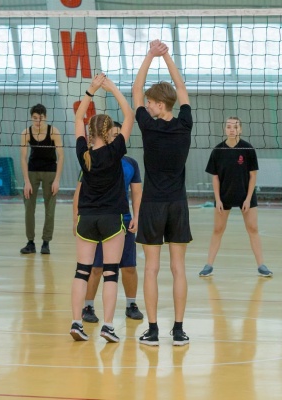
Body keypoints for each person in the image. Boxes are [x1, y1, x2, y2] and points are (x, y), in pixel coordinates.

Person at [132, 40, 193, 347]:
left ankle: (153, 330)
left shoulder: (149, 127)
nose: (146, 105)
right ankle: (178, 330)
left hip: (153, 205)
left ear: (158, 105)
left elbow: (135, 89)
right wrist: (167, 56)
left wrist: (150, 55)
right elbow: (181, 89)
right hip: (178, 204)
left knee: (151, 268)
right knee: (178, 268)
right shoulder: (185, 124)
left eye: (150, 102)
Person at [70, 73, 135, 343]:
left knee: (81, 271)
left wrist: (91, 90)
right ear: (109, 133)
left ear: (90, 133)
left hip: (86, 218)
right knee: (110, 272)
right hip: (111, 219)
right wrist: (112, 88)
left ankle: (76, 322)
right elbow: (129, 115)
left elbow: (78, 119)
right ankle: (108, 326)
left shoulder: (83, 153)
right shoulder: (116, 150)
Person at [72, 122, 144, 323]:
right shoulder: (90, 159)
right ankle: (88, 306)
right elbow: (78, 193)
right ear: (105, 135)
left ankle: (131, 304)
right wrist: (75, 219)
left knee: (128, 266)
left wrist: (137, 216)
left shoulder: (130, 164)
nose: (116, 137)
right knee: (95, 268)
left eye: (119, 135)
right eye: (113, 134)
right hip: (99, 220)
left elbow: (137, 192)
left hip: (122, 221)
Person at [198, 117, 273, 278]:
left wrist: (248, 198)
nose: (232, 129)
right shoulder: (218, 150)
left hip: (246, 195)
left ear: (240, 129)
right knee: (218, 230)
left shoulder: (248, 149)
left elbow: (253, 176)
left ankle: (261, 265)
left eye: (235, 127)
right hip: (224, 195)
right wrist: (218, 199)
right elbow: (215, 177)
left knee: (253, 229)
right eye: (229, 127)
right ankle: (208, 265)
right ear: (225, 129)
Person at [19, 104, 64, 255]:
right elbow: (23, 158)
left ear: (45, 117)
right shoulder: (26, 133)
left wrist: (57, 180)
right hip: (32, 172)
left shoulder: (53, 131)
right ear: (31, 118)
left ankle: (46, 242)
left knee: (50, 209)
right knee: (28, 208)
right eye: (35, 118)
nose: (38, 121)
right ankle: (30, 242)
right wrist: (26, 181)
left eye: (41, 118)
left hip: (50, 172)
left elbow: (61, 156)